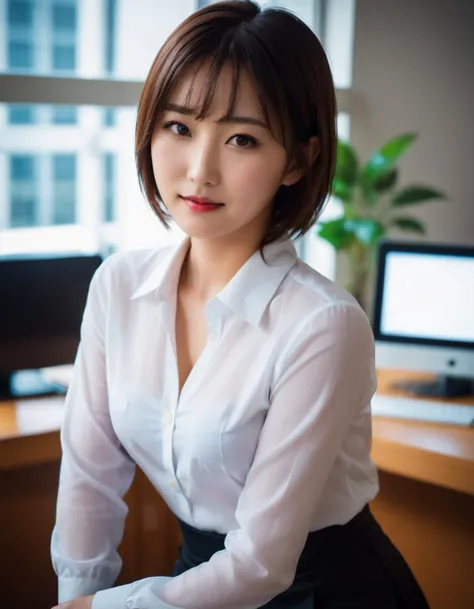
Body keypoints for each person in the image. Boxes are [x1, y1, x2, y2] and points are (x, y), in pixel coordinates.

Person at [50, 2, 430, 608]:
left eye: (242, 139)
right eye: (178, 127)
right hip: (196, 581)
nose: (200, 170)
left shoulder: (323, 325)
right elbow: (90, 474)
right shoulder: (117, 286)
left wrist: (103, 608)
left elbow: (260, 563)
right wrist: (77, 593)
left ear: (298, 161)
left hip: (323, 590)